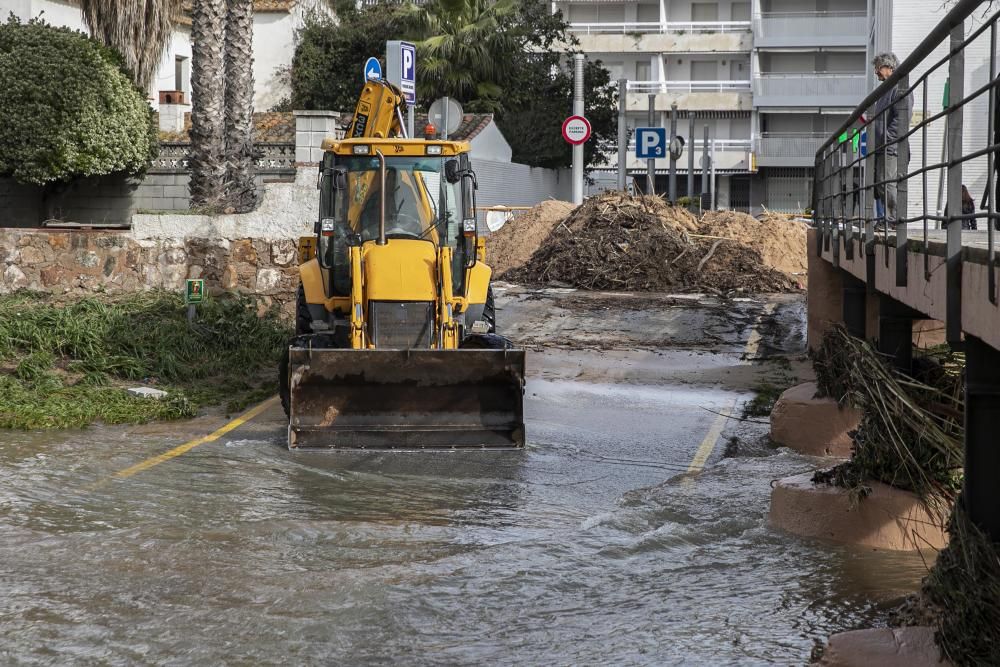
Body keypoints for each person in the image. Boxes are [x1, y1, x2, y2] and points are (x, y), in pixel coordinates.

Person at [868, 53, 913, 225]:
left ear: (890, 68)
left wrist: (886, 139)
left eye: (879, 67)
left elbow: (901, 119)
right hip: (885, 147)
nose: (876, 72)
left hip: (892, 147)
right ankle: (888, 220)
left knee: (888, 184)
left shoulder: (899, 88)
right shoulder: (887, 91)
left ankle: (893, 221)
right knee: (882, 184)